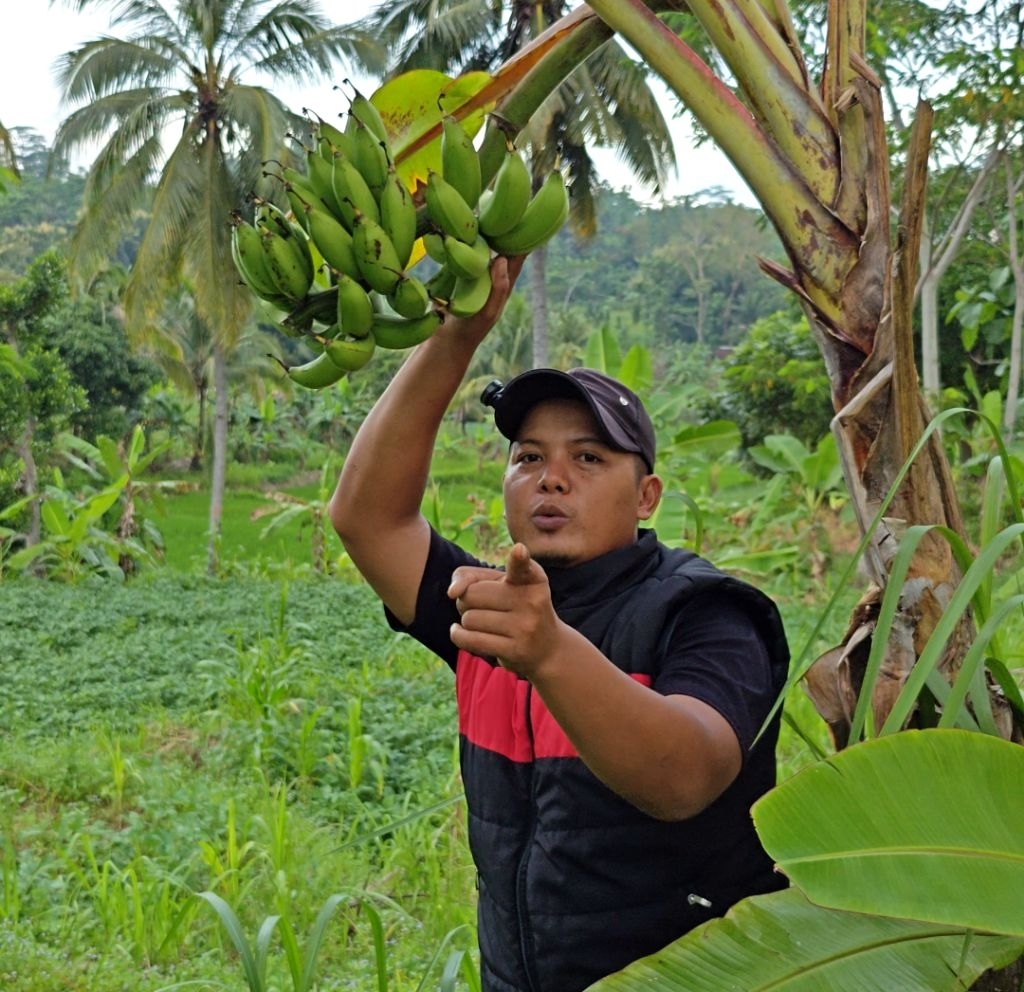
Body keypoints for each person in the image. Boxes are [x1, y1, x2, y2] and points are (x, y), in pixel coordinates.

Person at [329, 255, 790, 992]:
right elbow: (366, 516)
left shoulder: (703, 611)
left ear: (647, 496)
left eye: (589, 457)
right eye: (528, 457)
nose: (551, 477)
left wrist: (549, 652)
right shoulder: (489, 611)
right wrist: (454, 340)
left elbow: (685, 776)